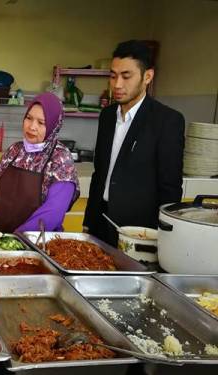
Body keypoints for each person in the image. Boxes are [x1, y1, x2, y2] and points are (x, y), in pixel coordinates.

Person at [84, 40, 185, 247]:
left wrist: (165, 238)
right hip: (100, 223)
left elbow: (170, 188)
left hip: (139, 232)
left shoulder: (167, 121)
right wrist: (88, 223)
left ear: (148, 76)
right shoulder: (107, 116)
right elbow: (99, 173)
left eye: (126, 76)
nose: (117, 85)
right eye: (113, 76)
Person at [0, 92, 80, 233]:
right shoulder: (14, 151)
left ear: (54, 125)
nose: (32, 127)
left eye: (41, 123)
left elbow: (53, 213)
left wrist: (16, 240)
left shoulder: (60, 158)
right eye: (29, 118)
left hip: (37, 246)